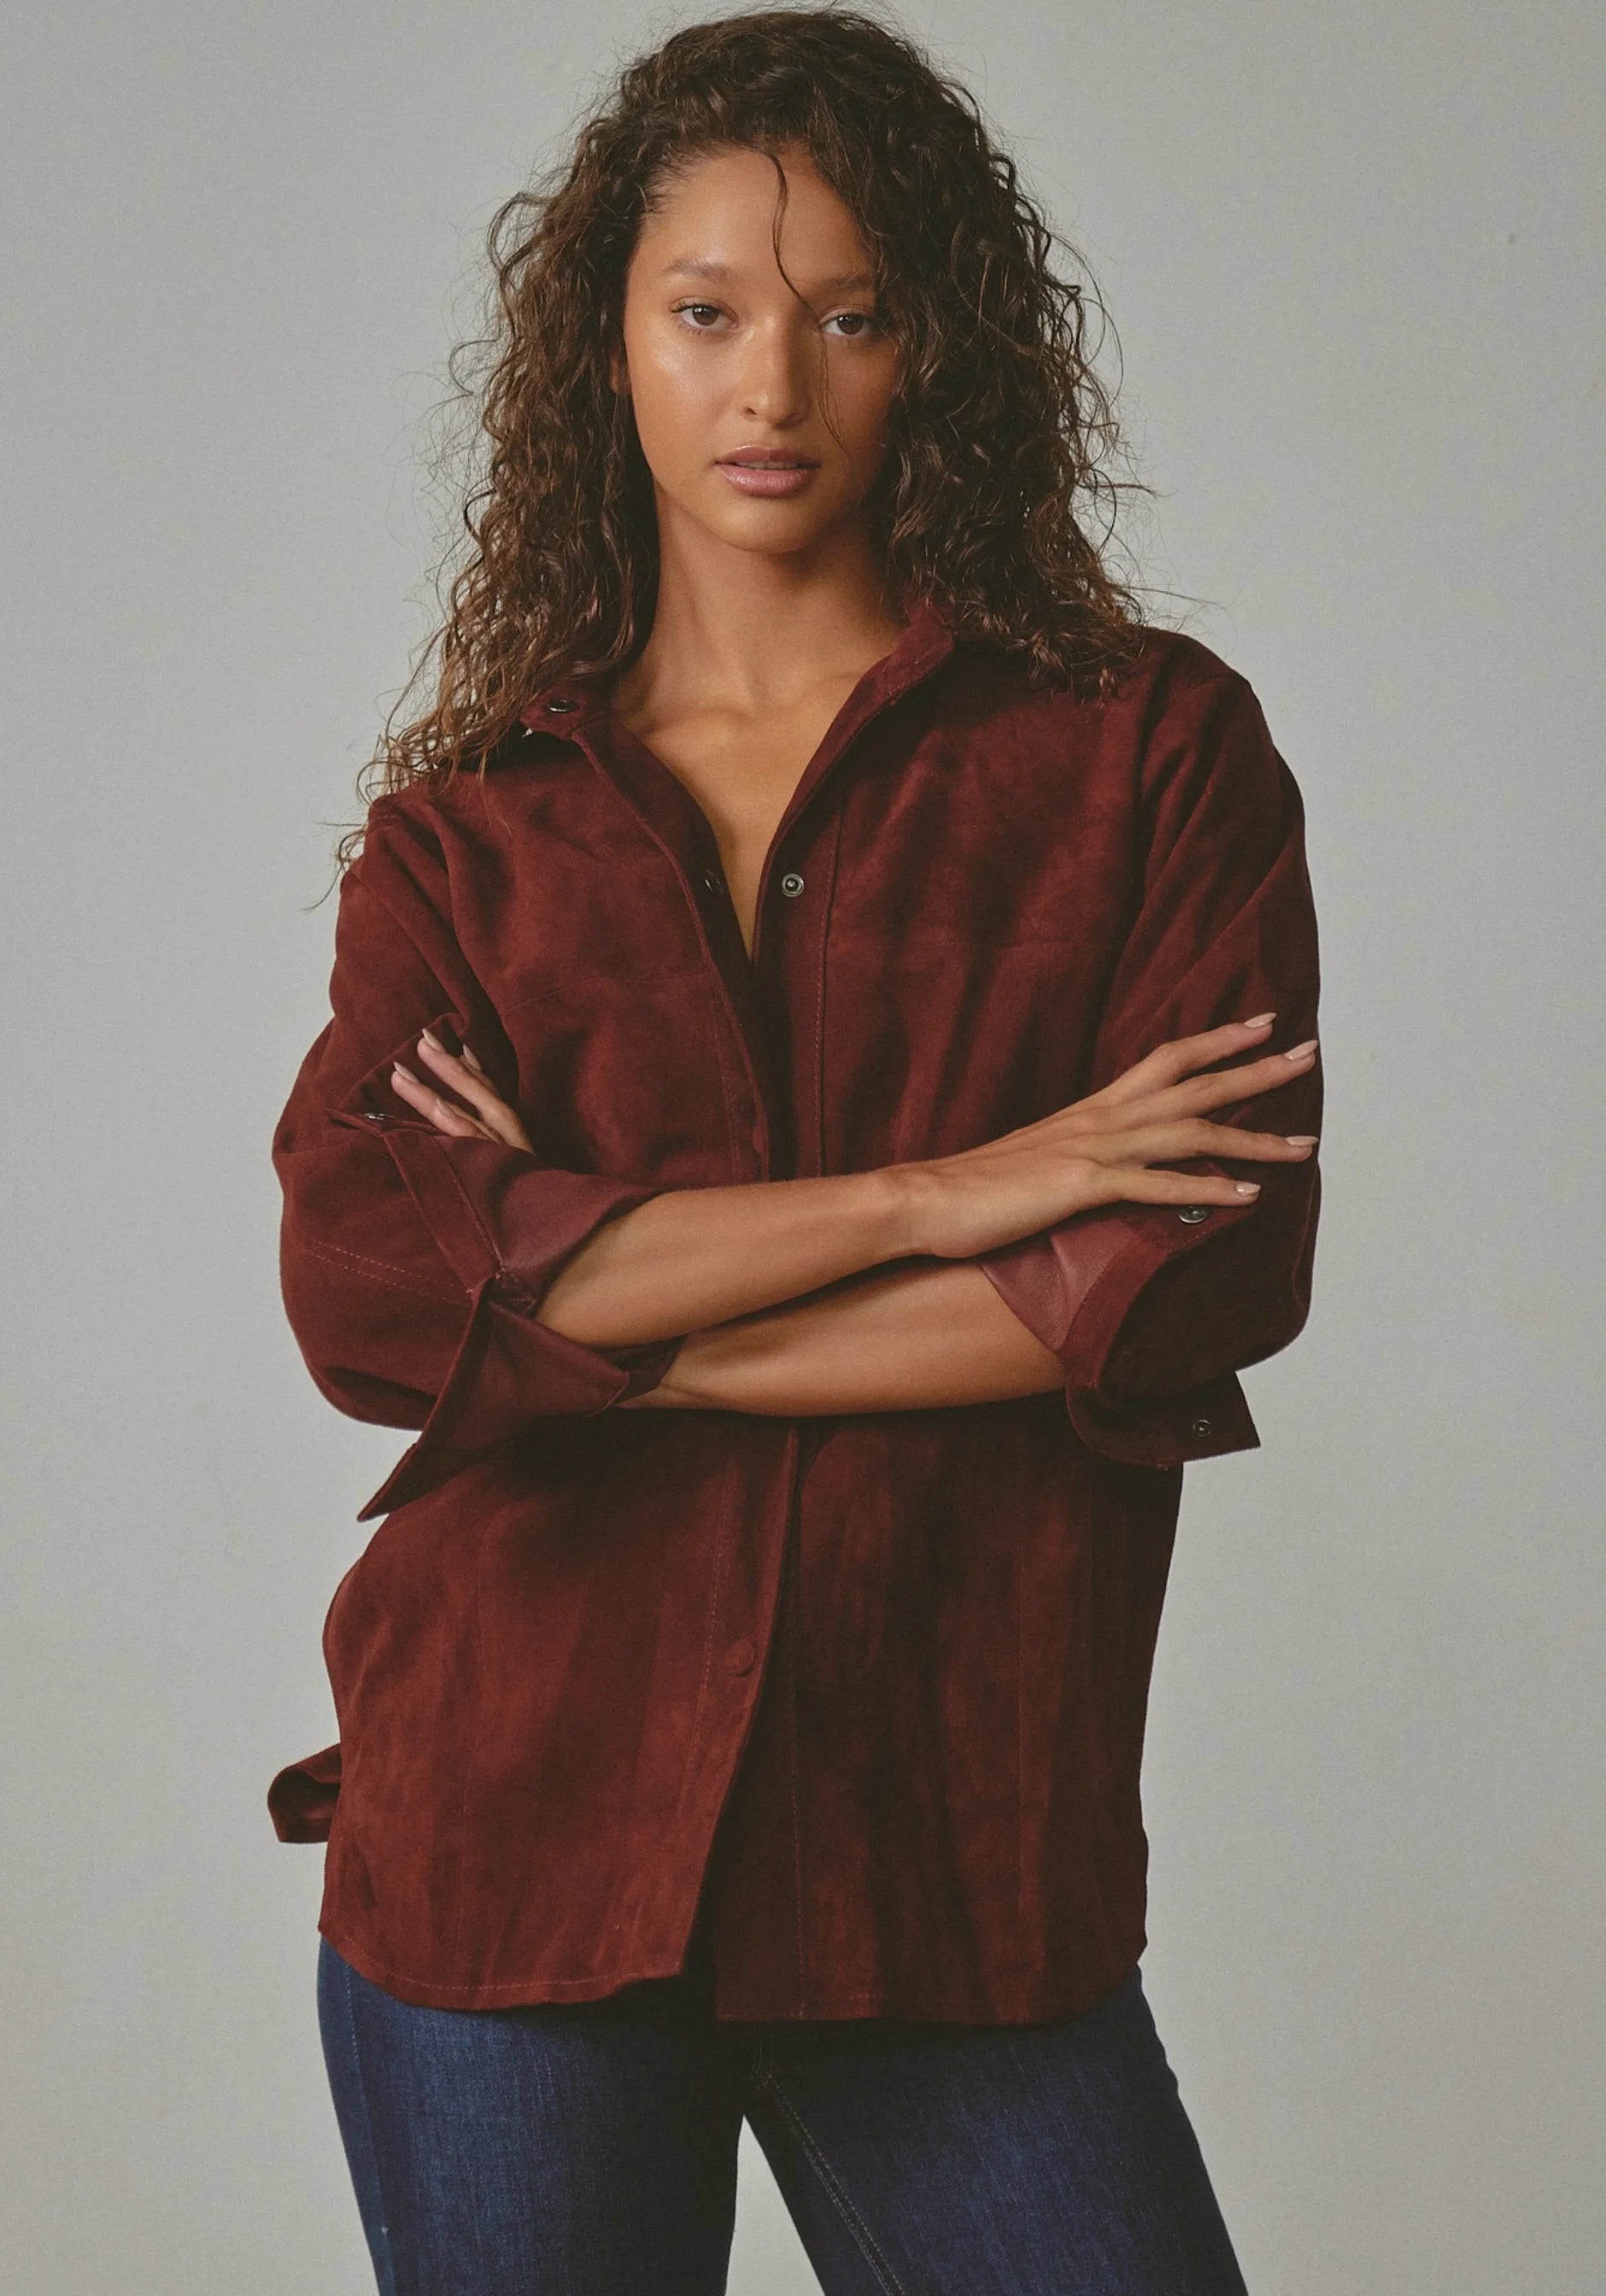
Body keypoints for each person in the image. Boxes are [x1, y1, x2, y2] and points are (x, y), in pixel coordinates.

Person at [267, 9, 1323, 2290]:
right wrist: (960, 1197)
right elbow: (379, 1292)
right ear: (609, 349)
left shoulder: (1148, 758)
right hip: (509, 1855)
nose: (774, 387)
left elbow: (1185, 1269)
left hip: (946, 1863)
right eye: (707, 313)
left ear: (938, 349)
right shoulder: (468, 843)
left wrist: (588, 1325)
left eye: (850, 315)